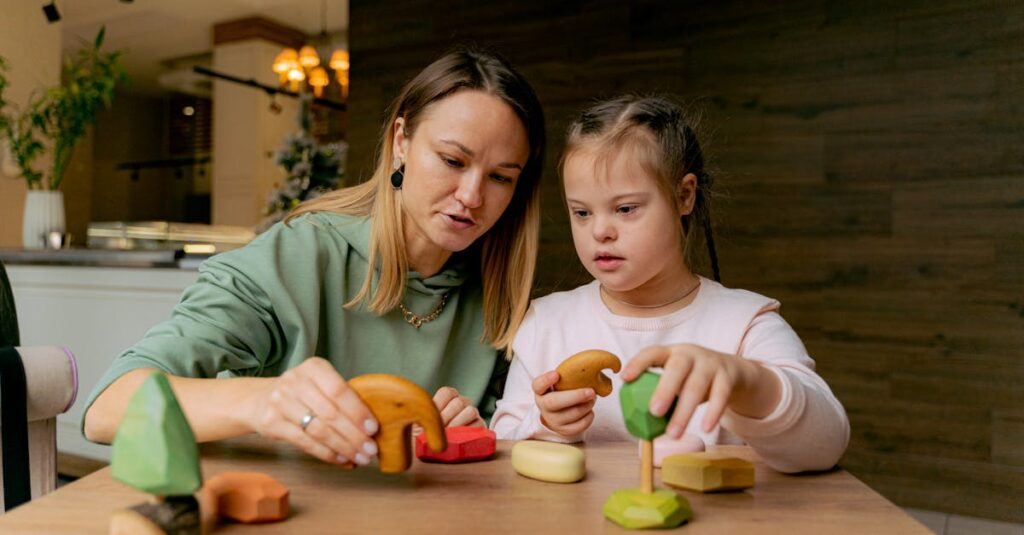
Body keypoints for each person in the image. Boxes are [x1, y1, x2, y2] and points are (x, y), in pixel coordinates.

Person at [83, 48, 546, 468]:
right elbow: (108, 408)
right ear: (401, 141)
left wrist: (465, 431)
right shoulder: (296, 256)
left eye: (500, 178)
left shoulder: (500, 296)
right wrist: (264, 402)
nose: (471, 196)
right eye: (452, 160)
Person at [490, 95, 849, 472]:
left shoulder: (745, 324)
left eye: (625, 209)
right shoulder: (546, 323)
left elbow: (826, 446)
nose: (600, 231)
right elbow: (503, 447)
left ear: (684, 196)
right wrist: (546, 425)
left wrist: (749, 382)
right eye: (581, 212)